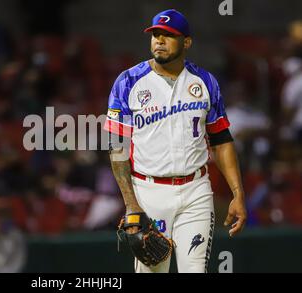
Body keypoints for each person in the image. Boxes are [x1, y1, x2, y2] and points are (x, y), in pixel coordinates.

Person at [105, 9, 247, 273]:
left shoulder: (205, 82)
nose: (159, 40)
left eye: (168, 35)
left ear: (187, 42)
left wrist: (238, 194)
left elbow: (221, 139)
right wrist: (131, 204)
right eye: (155, 34)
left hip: (196, 191)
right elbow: (117, 147)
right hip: (149, 192)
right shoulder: (128, 82)